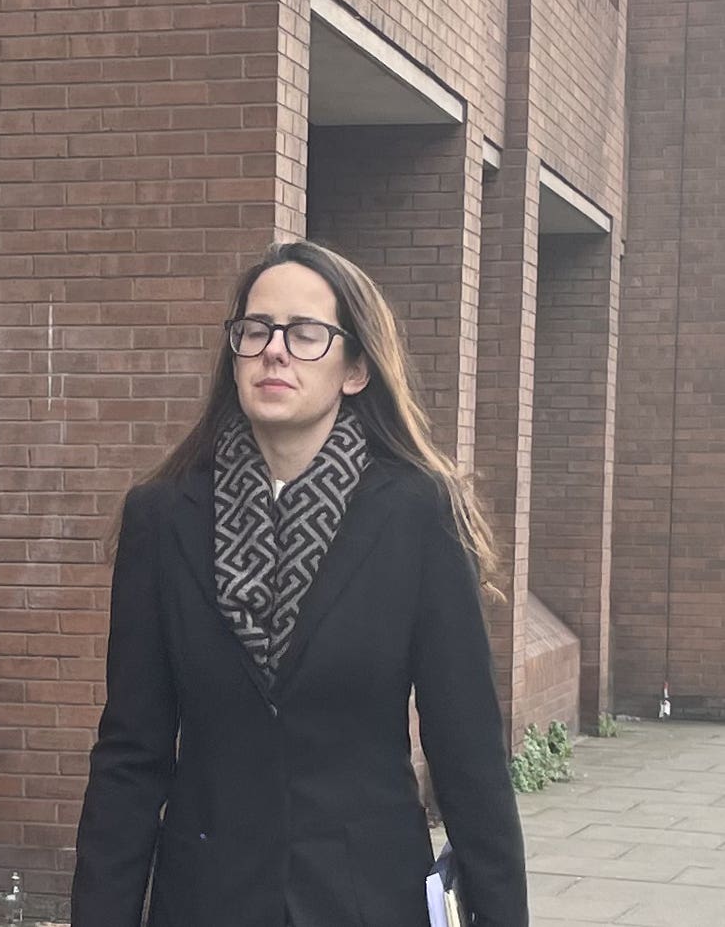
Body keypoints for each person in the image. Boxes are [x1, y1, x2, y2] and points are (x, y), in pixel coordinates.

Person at [71, 240, 528, 927]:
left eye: (305, 333)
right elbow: (130, 754)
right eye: (254, 331)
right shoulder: (163, 517)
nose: (273, 350)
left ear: (355, 368)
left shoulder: (414, 514)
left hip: (365, 895)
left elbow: (467, 752)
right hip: (205, 898)